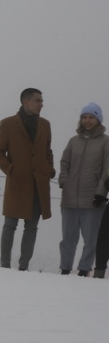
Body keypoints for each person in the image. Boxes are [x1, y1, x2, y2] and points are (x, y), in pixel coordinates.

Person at [0, 88, 55, 271]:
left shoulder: (45, 125)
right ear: (25, 101)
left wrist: (49, 169)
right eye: (38, 100)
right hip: (17, 181)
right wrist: (10, 169)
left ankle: (23, 267)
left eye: (42, 100)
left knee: (32, 227)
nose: (41, 104)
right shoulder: (8, 124)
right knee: (10, 225)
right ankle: (4, 266)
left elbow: (47, 150)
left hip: (38, 183)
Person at [57, 103, 109, 276]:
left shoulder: (105, 142)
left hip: (92, 199)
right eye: (84, 117)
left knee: (91, 239)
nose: (87, 121)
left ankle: (84, 268)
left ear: (98, 119)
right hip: (69, 198)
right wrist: (64, 180)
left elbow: (107, 170)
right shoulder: (74, 141)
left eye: (91, 117)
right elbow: (64, 163)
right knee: (68, 238)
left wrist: (101, 192)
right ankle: (65, 267)